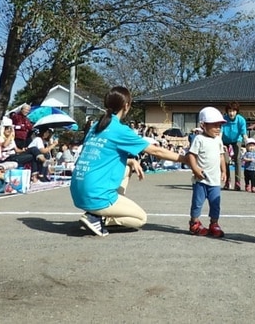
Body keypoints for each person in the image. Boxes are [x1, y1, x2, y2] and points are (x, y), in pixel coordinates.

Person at [70, 86, 187, 236]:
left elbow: (101, 156)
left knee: (126, 170)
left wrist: (130, 161)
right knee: (140, 219)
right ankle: (97, 217)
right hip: (96, 195)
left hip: (78, 191)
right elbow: (156, 150)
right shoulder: (120, 130)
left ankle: (97, 213)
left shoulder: (95, 126)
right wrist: (186, 159)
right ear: (126, 106)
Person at [186, 106, 227, 236]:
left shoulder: (218, 140)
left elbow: (221, 156)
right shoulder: (199, 139)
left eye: (219, 125)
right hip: (201, 179)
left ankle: (214, 223)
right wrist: (195, 169)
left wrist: (224, 171)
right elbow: (191, 155)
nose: (218, 128)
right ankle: (194, 223)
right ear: (203, 125)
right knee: (197, 203)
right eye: (214, 125)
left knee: (215, 204)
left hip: (215, 180)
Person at [221, 101, 248, 191]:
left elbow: (244, 133)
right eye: (229, 111)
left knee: (237, 160)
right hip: (225, 140)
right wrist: (219, 143)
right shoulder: (223, 120)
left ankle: (237, 182)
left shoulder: (241, 120)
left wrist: (247, 142)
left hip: (237, 140)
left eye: (233, 111)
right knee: (225, 161)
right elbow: (220, 133)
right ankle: (227, 181)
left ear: (236, 111)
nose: (231, 113)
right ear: (227, 112)